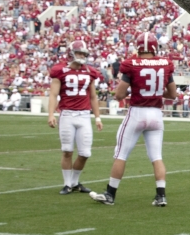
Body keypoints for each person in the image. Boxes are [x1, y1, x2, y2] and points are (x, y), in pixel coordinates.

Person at [91, 32, 175, 206]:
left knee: (121, 154)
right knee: (156, 156)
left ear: (138, 47)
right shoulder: (165, 64)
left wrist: (135, 90)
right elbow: (172, 94)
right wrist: (156, 92)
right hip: (156, 114)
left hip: (137, 112)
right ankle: (161, 196)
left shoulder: (132, 64)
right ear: (154, 48)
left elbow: (119, 94)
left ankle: (110, 194)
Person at [48, 40, 103, 194]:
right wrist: (51, 114)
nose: (81, 56)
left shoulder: (89, 71)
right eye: (79, 53)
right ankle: (67, 183)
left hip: (84, 115)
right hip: (67, 115)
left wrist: (97, 117)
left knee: (85, 153)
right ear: (71, 53)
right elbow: (53, 94)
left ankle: (74, 182)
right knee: (67, 151)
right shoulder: (60, 70)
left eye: (83, 53)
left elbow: (93, 97)